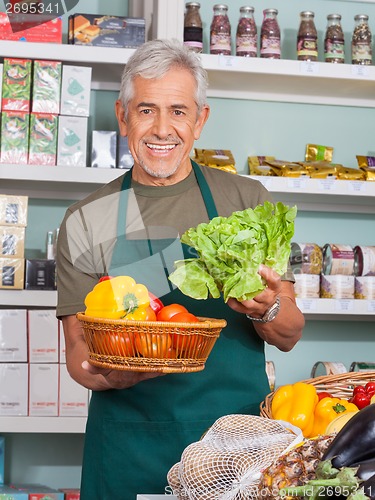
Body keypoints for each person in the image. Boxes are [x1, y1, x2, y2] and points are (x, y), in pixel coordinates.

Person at [56, 38, 305, 500]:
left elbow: (290, 333)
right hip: (131, 440)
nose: (162, 128)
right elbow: (77, 356)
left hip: (236, 446)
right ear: (123, 115)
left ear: (201, 120)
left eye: (179, 111)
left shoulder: (246, 202)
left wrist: (266, 308)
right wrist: (120, 371)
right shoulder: (87, 218)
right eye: (147, 110)